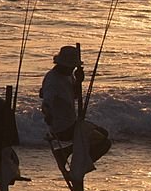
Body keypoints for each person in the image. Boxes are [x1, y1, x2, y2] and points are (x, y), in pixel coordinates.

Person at [40, 45, 112, 173]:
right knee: (104, 143)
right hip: (62, 127)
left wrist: (78, 81)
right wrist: (48, 115)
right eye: (71, 66)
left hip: (71, 122)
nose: (72, 69)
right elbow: (46, 102)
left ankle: (67, 154)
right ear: (63, 65)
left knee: (103, 134)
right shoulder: (53, 80)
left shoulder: (67, 75)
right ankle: (79, 167)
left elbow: (74, 95)